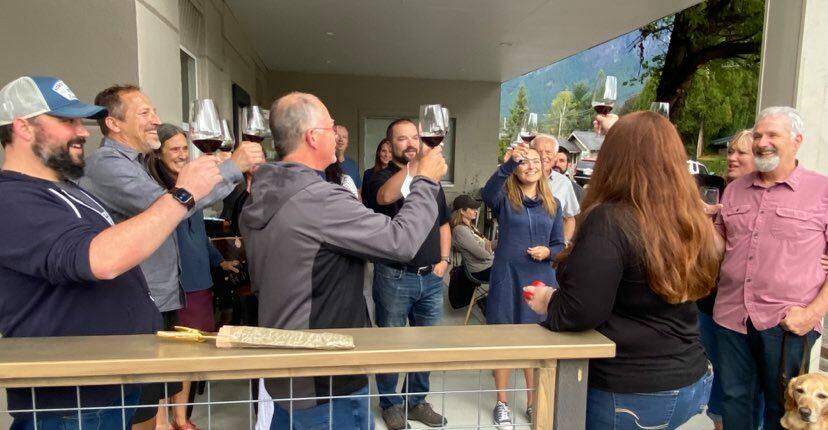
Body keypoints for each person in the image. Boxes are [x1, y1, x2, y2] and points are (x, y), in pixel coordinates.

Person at [0, 76, 221, 429]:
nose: (84, 132)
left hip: (110, 386)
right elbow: (100, 260)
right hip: (70, 399)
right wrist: (184, 195)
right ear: (23, 128)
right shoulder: (12, 198)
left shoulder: (69, 191)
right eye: (66, 121)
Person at [239, 92, 447, 430]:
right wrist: (424, 181)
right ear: (312, 136)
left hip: (287, 367)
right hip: (327, 377)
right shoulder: (317, 199)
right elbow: (401, 241)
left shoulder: (266, 188)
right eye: (330, 125)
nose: (336, 132)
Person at [78, 84, 264, 428]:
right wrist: (233, 166)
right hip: (132, 299)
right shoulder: (106, 165)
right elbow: (174, 204)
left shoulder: (135, 164)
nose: (156, 120)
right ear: (113, 123)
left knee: (153, 399)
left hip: (155, 296)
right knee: (138, 408)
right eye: (145, 113)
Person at [524, 111, 718, 430]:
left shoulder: (611, 220)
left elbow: (581, 311)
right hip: (693, 381)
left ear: (613, 159)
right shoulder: (690, 217)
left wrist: (548, 300)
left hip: (631, 392)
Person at [710, 107, 828, 430]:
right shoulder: (734, 189)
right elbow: (719, 249)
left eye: (772, 135)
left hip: (788, 323)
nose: (762, 142)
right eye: (759, 135)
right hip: (731, 317)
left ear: (797, 141)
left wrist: (810, 314)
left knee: (786, 407)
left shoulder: (822, 191)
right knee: (734, 401)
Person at [145, 123, 241, 430]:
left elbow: (197, 234)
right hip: (172, 284)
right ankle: (161, 420)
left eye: (184, 148)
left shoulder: (192, 188)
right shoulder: (153, 191)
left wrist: (218, 261)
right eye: (174, 149)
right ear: (156, 153)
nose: (182, 155)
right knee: (164, 355)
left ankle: (181, 417)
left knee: (191, 352)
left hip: (200, 280)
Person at [369, 118, 451, 430]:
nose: (410, 143)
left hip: (431, 277)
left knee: (425, 344)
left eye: (414, 137)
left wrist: (444, 260)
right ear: (390, 145)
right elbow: (384, 198)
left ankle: (416, 401)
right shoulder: (378, 176)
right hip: (394, 277)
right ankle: (391, 404)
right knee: (391, 344)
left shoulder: (432, 180)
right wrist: (417, 167)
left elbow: (443, 223)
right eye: (402, 139)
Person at [481, 143, 565, 427]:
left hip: (540, 280)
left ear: (544, 168)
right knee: (503, 340)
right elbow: (485, 194)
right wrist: (506, 164)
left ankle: (532, 402)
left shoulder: (554, 204)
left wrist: (549, 253)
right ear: (515, 168)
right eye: (524, 162)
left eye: (535, 162)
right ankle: (502, 402)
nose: (530, 167)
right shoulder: (504, 197)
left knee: (534, 344)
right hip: (507, 277)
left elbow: (559, 244)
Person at [532, 135, 580, 242]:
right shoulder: (519, 177)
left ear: (554, 156)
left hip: (550, 251)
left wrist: (562, 244)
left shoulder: (564, 183)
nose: (543, 156)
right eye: (539, 151)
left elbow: (570, 219)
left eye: (548, 152)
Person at [450, 194, 493, 282]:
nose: (476, 211)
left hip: (489, 265)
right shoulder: (460, 230)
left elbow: (489, 243)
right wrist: (494, 254)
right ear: (462, 211)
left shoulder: (471, 227)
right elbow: (482, 255)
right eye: (472, 209)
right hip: (481, 270)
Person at [361, 138, 392, 209]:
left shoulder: (397, 175)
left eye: (390, 152)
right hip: (372, 216)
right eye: (383, 151)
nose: (387, 155)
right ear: (378, 153)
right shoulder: (368, 174)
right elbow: (365, 200)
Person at [335, 124, 362, 194]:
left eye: (344, 137)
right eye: (338, 135)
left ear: (347, 143)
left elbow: (358, 193)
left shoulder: (353, 165)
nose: (341, 139)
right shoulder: (322, 163)